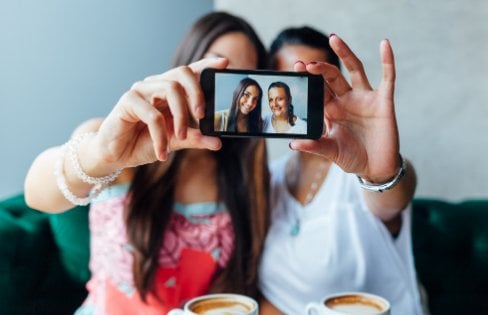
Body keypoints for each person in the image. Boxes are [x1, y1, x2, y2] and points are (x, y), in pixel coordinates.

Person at [24, 12, 270, 315]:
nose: (228, 89)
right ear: (189, 63)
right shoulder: (118, 139)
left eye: (243, 78)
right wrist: (102, 154)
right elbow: (36, 195)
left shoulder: (246, 177)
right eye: (218, 67)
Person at [258, 27, 425, 314]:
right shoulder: (269, 178)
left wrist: (380, 174)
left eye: (308, 82)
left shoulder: (356, 173)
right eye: (283, 82)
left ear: (331, 87)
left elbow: (393, 198)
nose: (292, 95)